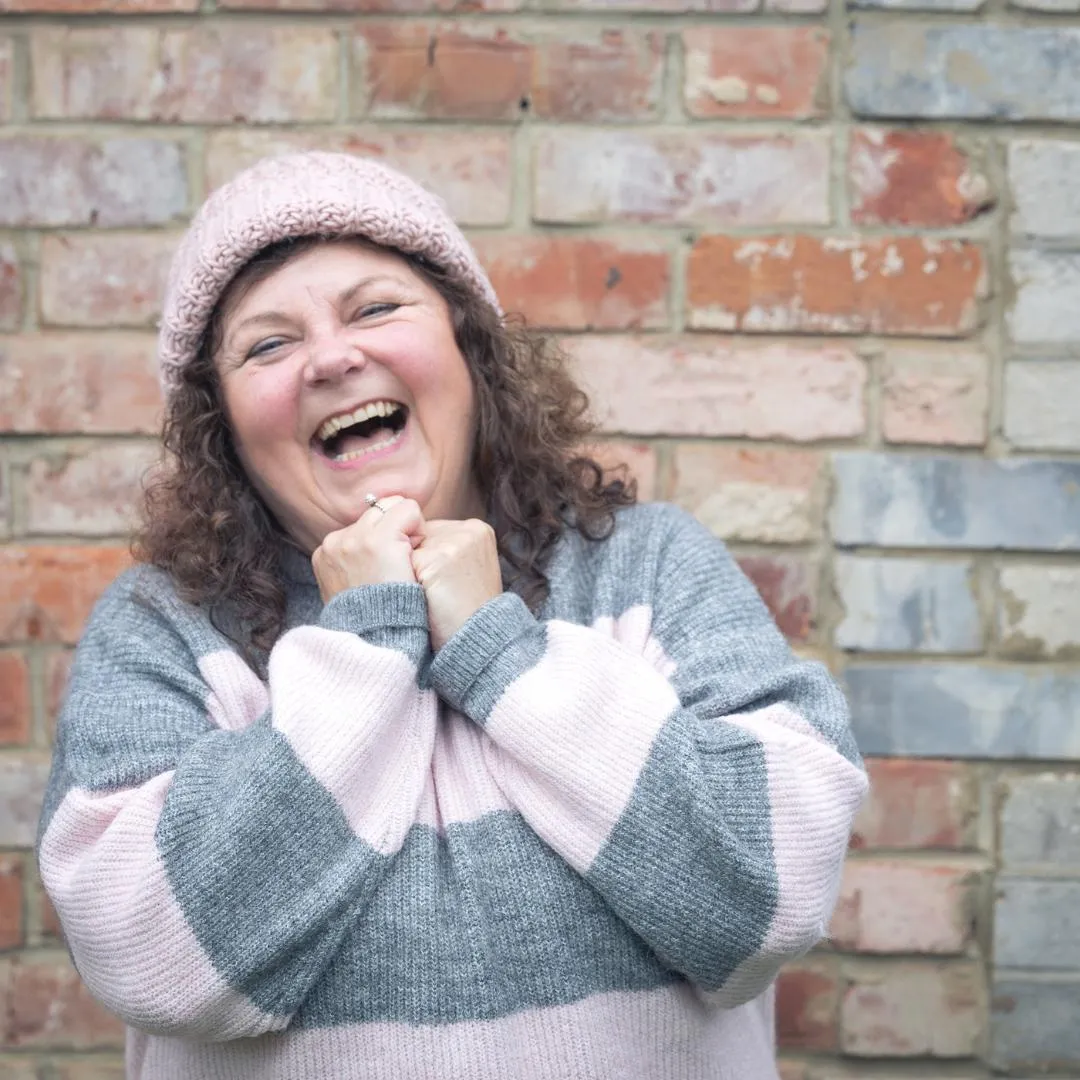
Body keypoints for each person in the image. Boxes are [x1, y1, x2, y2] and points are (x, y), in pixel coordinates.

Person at [37, 151, 867, 1080]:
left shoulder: (646, 565)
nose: (333, 357)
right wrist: (365, 643)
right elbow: (144, 953)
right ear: (223, 424)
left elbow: (774, 888)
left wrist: (495, 650)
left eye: (377, 308)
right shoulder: (167, 629)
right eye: (267, 345)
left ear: (471, 348)